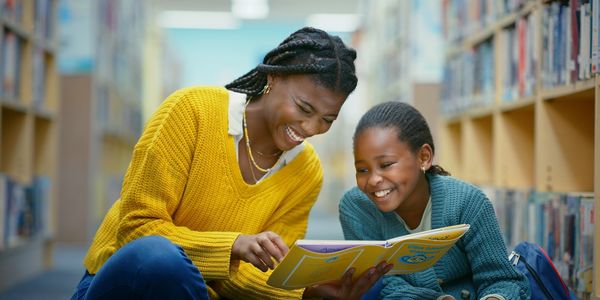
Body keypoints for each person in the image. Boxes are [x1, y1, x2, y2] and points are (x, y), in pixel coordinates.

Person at [71, 27, 391, 300]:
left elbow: (263, 271)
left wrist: (306, 291)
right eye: (303, 108)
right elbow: (136, 232)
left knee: (373, 287)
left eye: (327, 120)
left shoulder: (306, 171)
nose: (310, 129)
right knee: (160, 257)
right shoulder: (191, 111)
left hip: (208, 293)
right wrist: (233, 246)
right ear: (272, 79)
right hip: (133, 283)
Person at [339, 101, 531, 300]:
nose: (373, 179)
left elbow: (501, 279)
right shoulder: (356, 207)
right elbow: (379, 282)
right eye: (362, 170)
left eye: (386, 164)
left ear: (423, 157)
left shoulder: (468, 202)